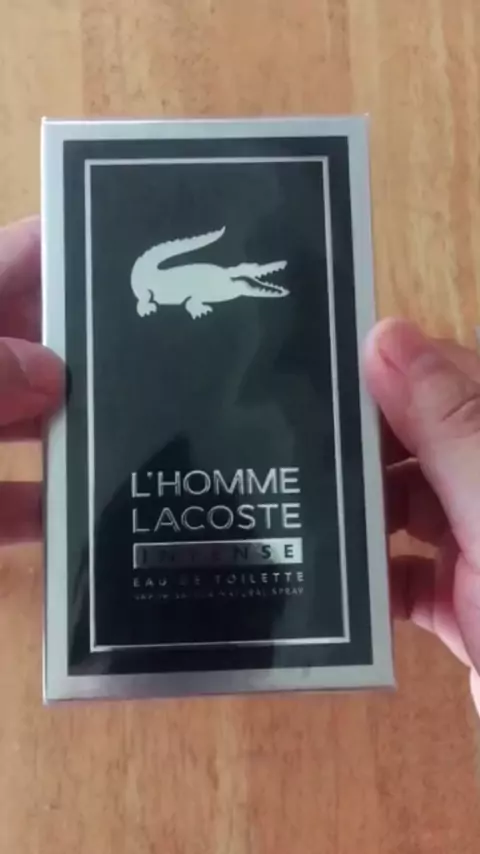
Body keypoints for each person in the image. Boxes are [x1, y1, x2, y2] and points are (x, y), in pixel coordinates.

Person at [1, 217, 479, 714]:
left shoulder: (221, 284)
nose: (254, 283)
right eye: (248, 279)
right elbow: (174, 284)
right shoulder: (168, 287)